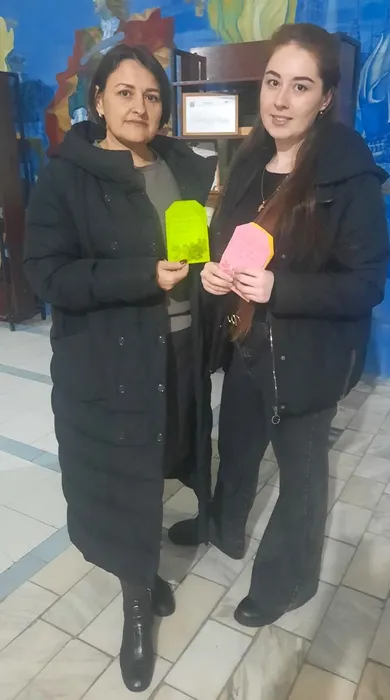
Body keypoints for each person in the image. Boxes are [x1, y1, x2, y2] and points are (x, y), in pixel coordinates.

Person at [169, 23, 390, 627]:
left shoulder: (347, 173)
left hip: (308, 355)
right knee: (238, 445)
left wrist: (281, 289)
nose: (281, 101)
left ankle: (286, 582)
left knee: (301, 475)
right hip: (245, 339)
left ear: (325, 97)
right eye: (273, 83)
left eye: (300, 86)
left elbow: (366, 282)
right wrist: (213, 276)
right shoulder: (249, 160)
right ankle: (222, 525)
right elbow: (227, 242)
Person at [24, 44, 216, 692]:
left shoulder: (181, 167)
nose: (140, 107)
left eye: (153, 96)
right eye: (125, 93)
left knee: (163, 460)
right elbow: (47, 273)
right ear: (98, 101)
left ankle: (158, 562)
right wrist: (141, 277)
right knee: (125, 480)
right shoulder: (67, 178)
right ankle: (137, 603)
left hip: (180, 351)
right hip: (111, 362)